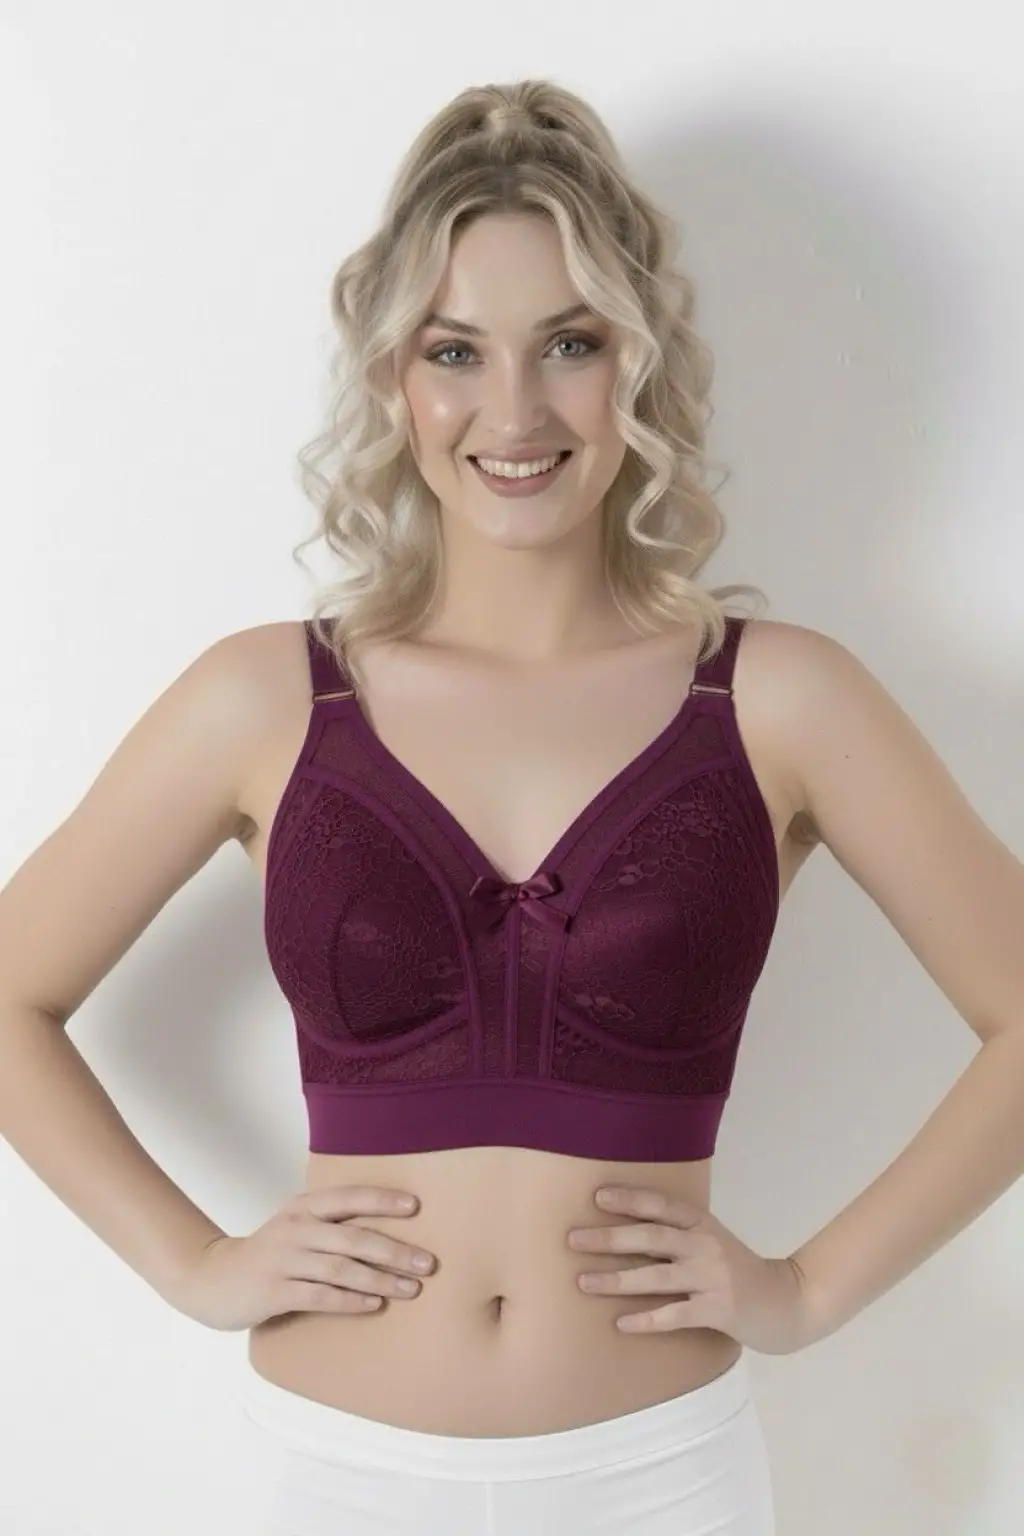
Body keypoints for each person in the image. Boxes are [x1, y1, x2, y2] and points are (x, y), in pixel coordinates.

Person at [3, 77, 1024, 1536]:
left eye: (569, 344)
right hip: (337, 1473)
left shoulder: (782, 700)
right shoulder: (264, 701)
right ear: (394, 381)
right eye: (455, 351)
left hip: (661, 1478)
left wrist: (806, 1291)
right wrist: (193, 1263)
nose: (514, 411)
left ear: (638, 365)